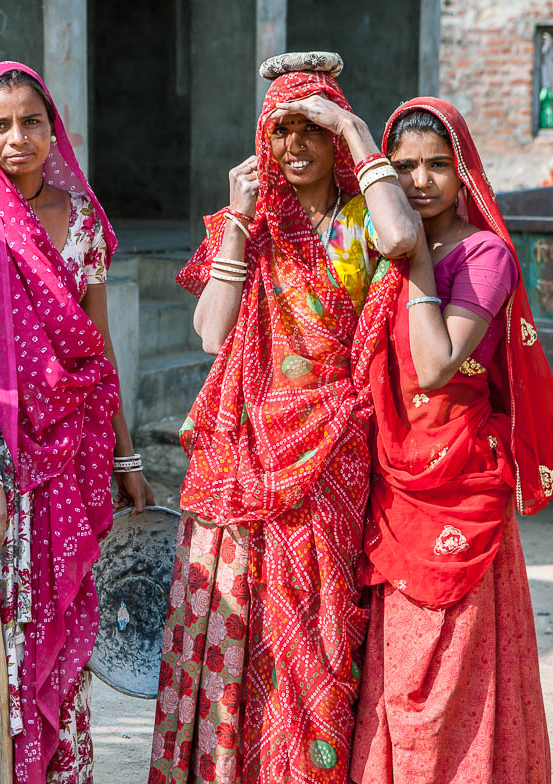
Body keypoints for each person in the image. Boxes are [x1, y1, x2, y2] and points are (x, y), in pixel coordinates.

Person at [150, 52, 421, 783]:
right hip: (245, 453)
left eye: (312, 129)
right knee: (246, 620)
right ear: (261, 141)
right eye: (280, 131)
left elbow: (404, 242)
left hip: (332, 449)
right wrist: (238, 223)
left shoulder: (364, 219)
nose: (295, 146)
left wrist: (360, 139)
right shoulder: (250, 223)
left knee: (320, 628)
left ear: (337, 135)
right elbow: (211, 334)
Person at [0, 61, 153, 783]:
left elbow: (99, 344)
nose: (17, 136)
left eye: (32, 121)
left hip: (76, 448)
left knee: (61, 620)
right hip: (0, 448)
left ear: (52, 127)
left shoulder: (81, 216)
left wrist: (125, 457)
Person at [350, 97, 553, 784]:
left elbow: (441, 360)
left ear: (463, 171)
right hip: (394, 474)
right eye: (404, 167)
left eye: (437, 166)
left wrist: (411, 257)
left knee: (455, 668)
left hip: (460, 479)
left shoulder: (484, 254)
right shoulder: (377, 247)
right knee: (399, 664)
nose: (419, 182)